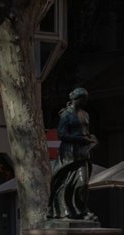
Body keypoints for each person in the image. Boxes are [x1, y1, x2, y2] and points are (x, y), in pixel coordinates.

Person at [47, 87, 98, 221]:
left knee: (83, 183)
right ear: (76, 98)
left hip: (83, 152)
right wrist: (81, 139)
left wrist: (91, 139)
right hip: (69, 152)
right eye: (83, 99)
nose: (85, 102)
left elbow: (86, 131)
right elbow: (61, 134)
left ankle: (81, 210)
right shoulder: (66, 115)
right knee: (65, 182)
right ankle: (64, 211)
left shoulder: (85, 114)